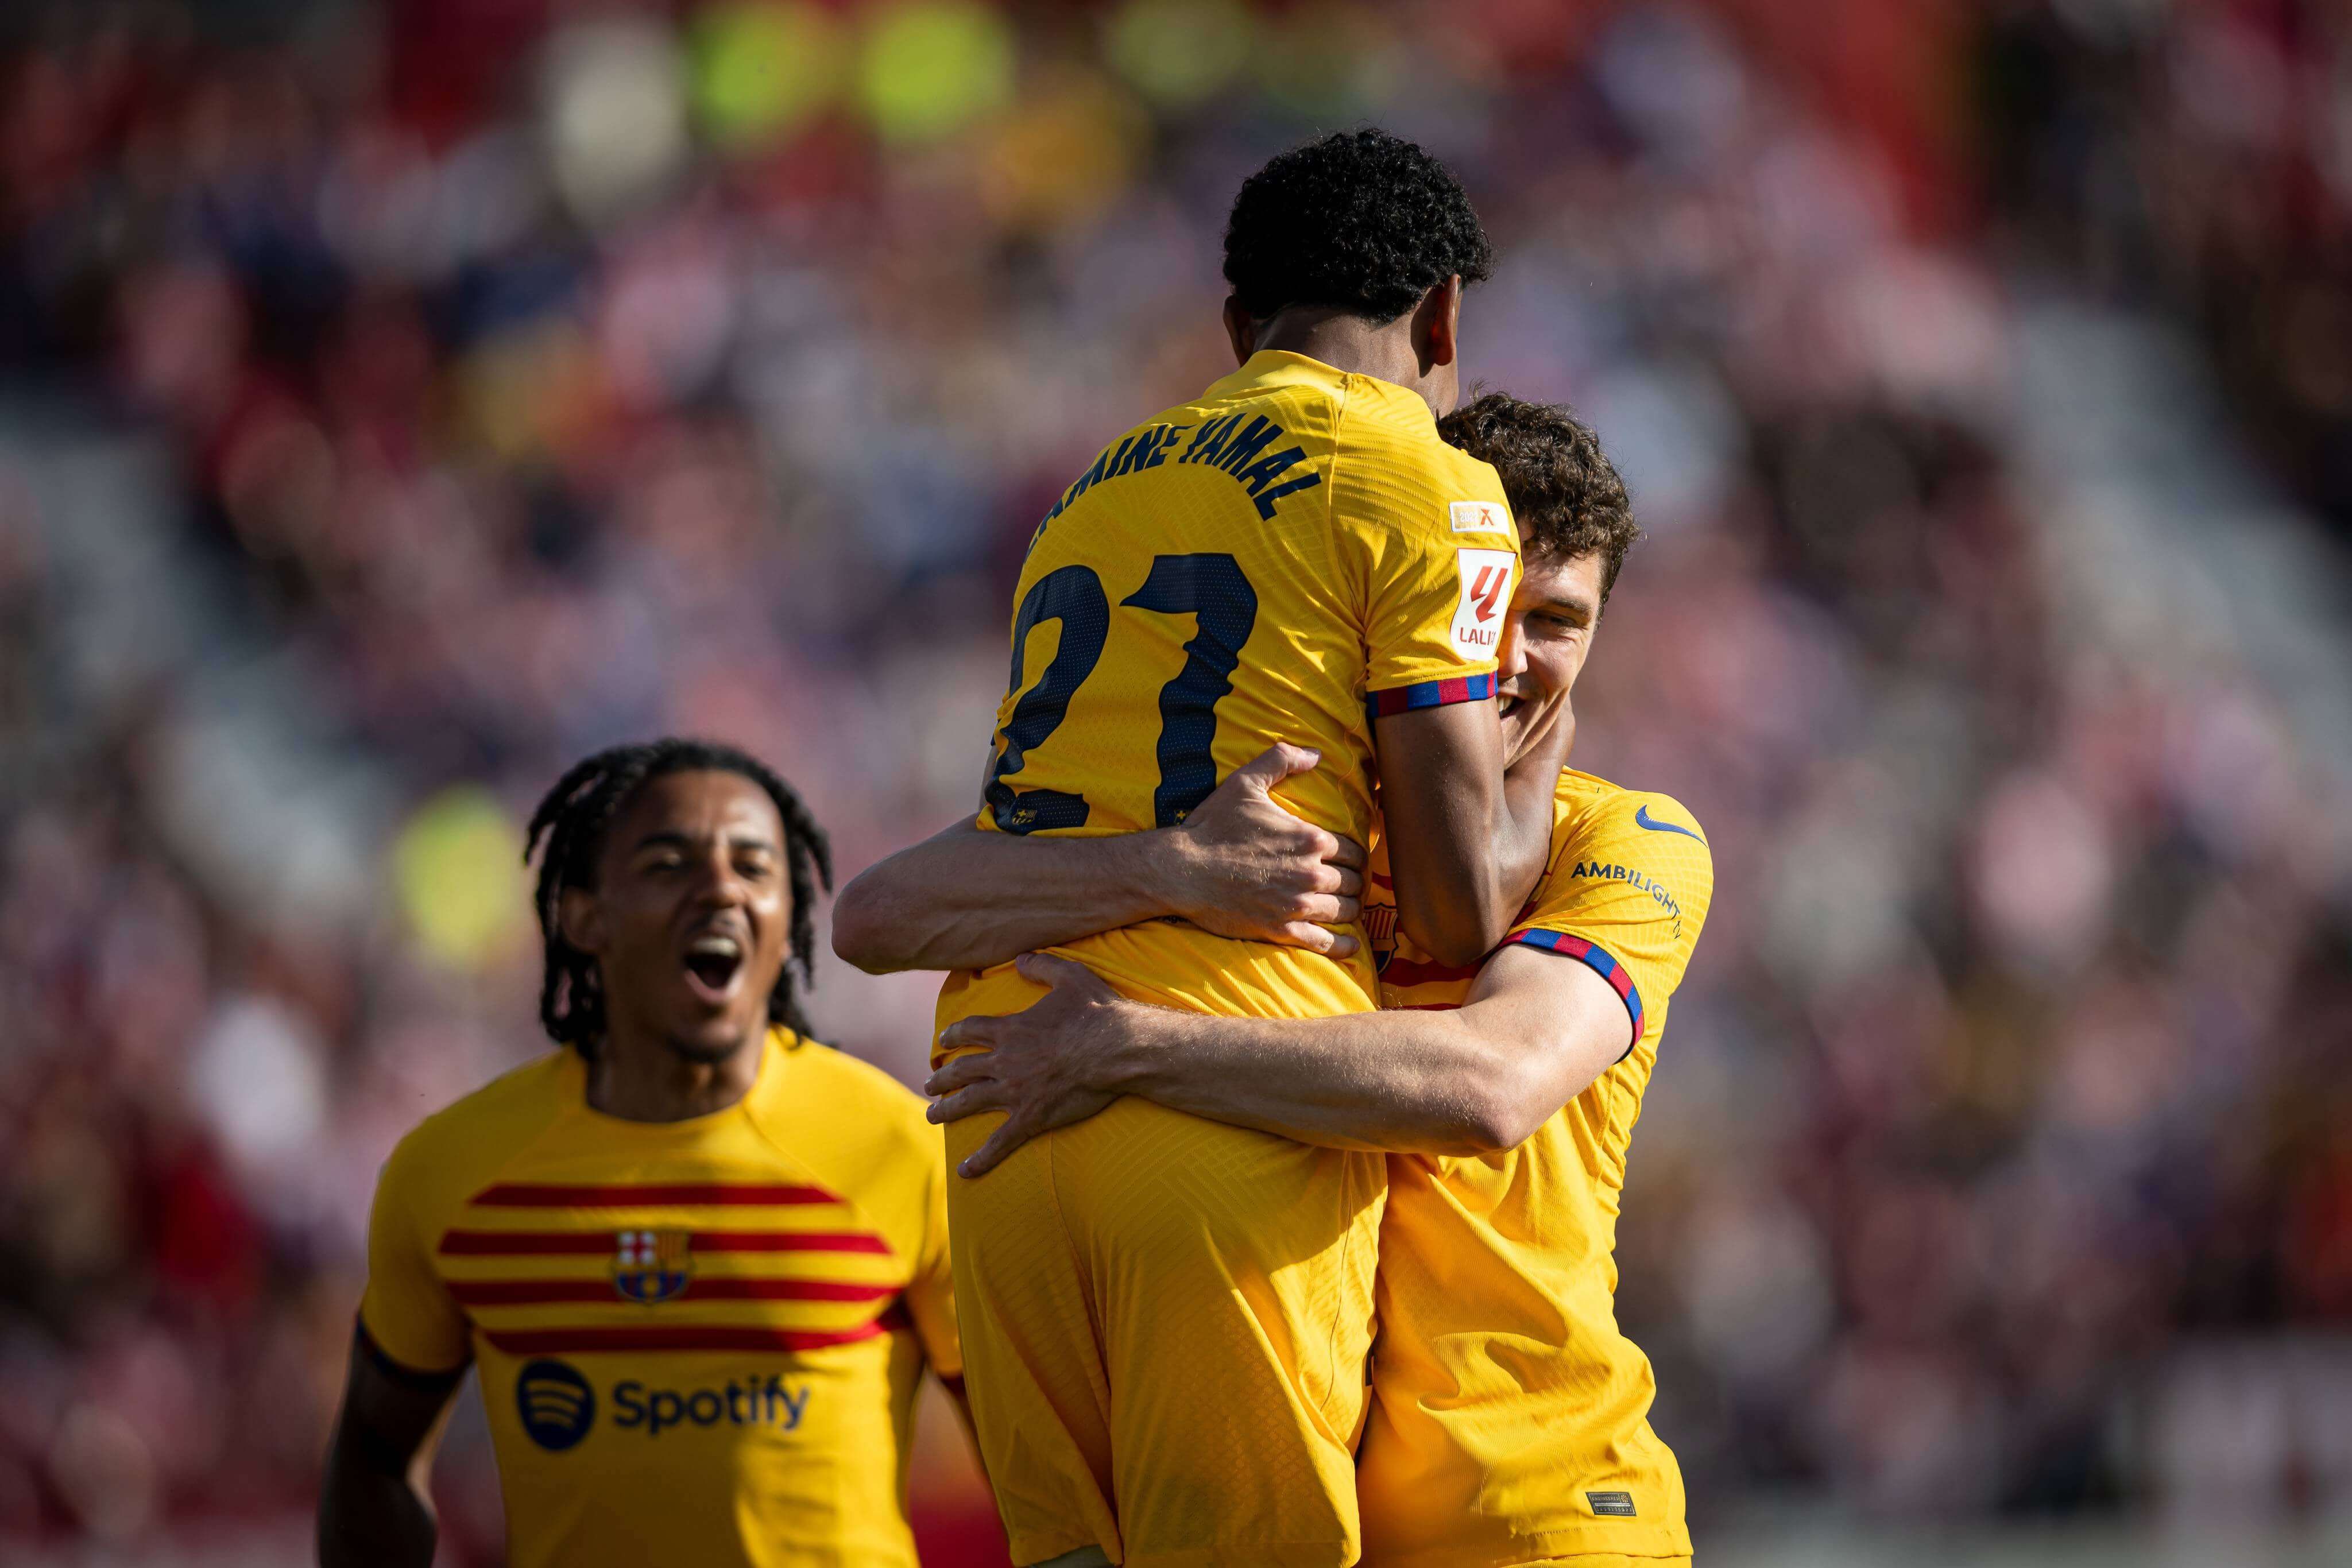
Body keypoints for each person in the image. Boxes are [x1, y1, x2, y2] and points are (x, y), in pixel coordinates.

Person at [834, 132, 1569, 1568]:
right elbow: (1456, 905)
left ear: (1237, 329)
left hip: (992, 1112)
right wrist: (1540, 745)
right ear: (1442, 318)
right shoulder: (1423, 478)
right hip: (1224, 1111)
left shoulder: (1088, 496)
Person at [850, 396, 1712, 1566]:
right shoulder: (1261, 822)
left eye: (1557, 623)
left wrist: (1129, 1045)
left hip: (1534, 1504)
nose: (1512, 658)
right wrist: (1160, 866)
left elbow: (1490, 1084)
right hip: (1311, 1497)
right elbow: (881, 912)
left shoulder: (1624, 841)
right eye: (1488, 611)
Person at [319, 740, 966, 1568]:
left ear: (788, 918)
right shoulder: (451, 1172)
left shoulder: (899, 1146)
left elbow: (1030, 1468)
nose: (723, 890)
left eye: (755, 868)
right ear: (583, 915)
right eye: (670, 865)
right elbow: (374, 1453)